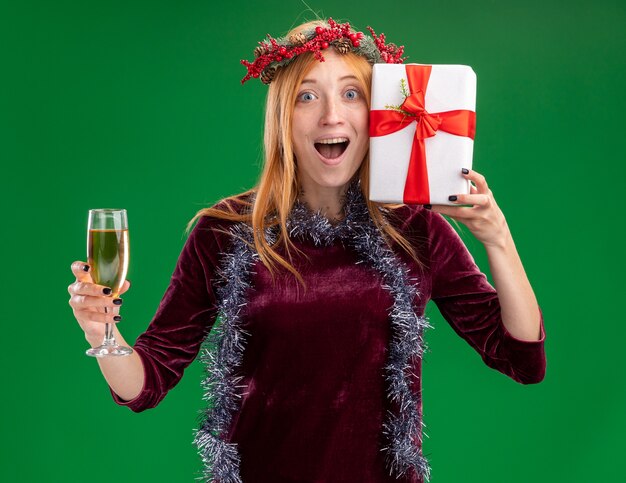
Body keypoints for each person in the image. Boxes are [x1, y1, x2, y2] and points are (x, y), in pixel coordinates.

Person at [68, 18, 546, 483]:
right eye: (307, 96)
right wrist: (101, 332)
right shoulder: (224, 231)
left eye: (351, 94)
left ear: (376, 114)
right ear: (283, 117)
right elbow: (146, 382)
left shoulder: (414, 228)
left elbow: (523, 359)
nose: (331, 115)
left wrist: (497, 237)